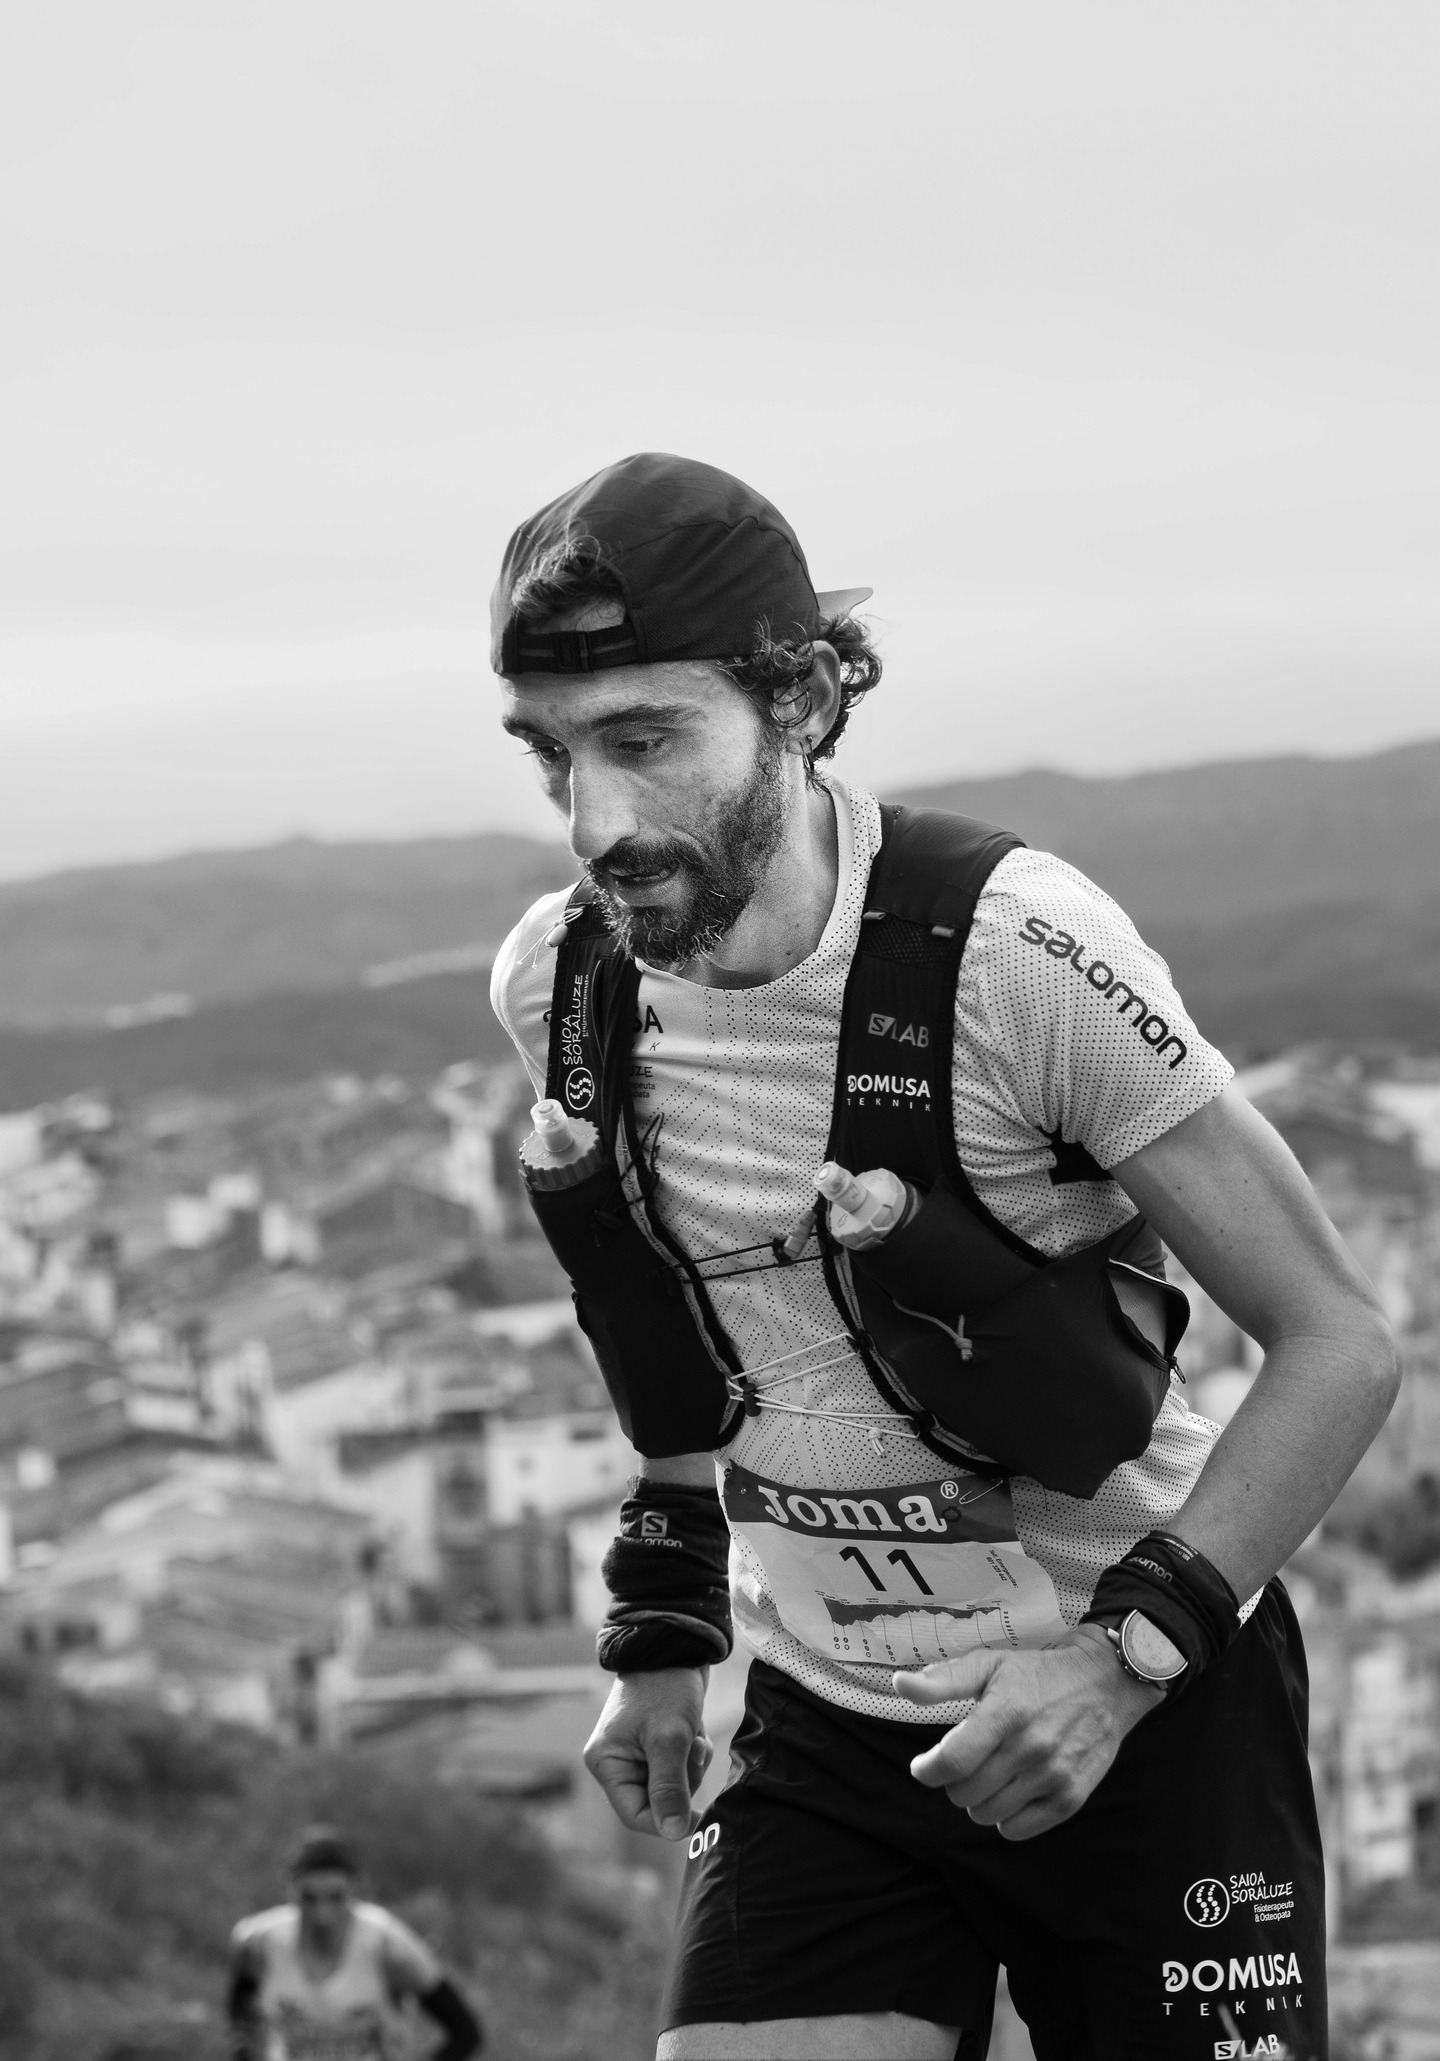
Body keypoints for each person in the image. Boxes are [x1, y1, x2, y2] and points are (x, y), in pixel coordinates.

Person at [488, 453, 1399, 2061]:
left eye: (645, 740)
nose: (595, 821)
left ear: (798, 701)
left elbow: (1340, 1344)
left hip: (1143, 1701)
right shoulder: (565, 988)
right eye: (552, 752)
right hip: (833, 1719)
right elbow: (683, 1334)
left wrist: (1117, 1667)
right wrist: (664, 1626)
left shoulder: (1020, 955)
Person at [227, 1825, 482, 2061]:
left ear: (357, 1886)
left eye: (336, 1897)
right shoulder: (258, 1941)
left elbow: (466, 2033)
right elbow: (240, 2017)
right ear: (288, 1885)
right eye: (308, 1898)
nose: (322, 1915)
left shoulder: (389, 1945)